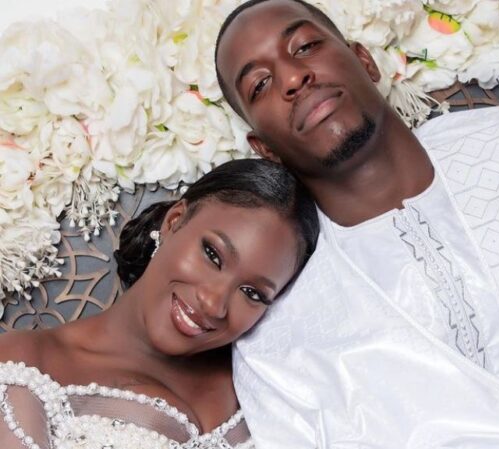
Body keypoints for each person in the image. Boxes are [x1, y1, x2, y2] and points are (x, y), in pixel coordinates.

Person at [214, 0, 499, 448]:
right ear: (264, 149)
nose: (293, 78)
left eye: (306, 46)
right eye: (260, 84)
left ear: (366, 61)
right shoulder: (276, 350)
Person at [0, 158, 319, 449]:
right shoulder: (27, 362)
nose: (214, 304)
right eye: (212, 255)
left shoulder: (275, 382)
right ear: (174, 221)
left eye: (252, 293)